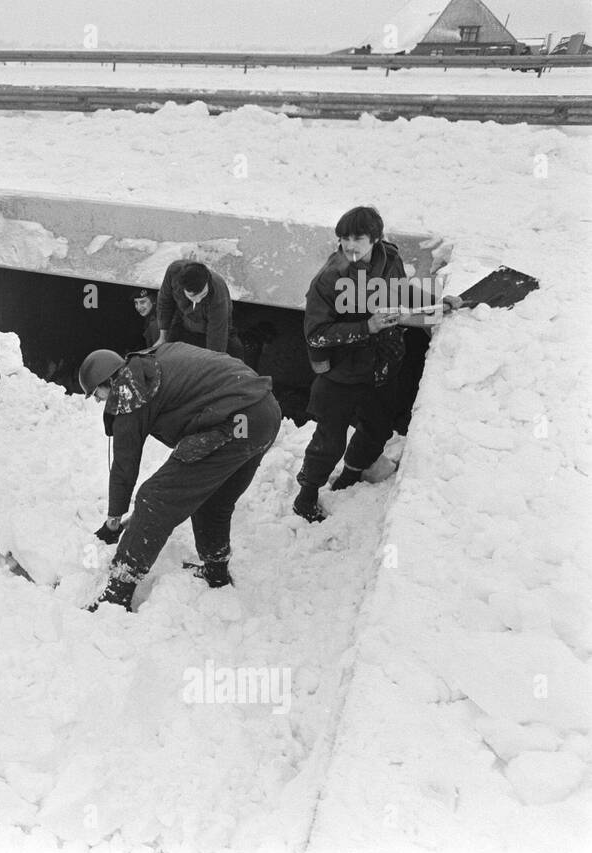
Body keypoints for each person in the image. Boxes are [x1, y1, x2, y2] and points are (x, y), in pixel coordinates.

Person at [80, 341, 281, 612]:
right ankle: (216, 572)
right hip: (262, 414)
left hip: (234, 422)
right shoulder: (153, 360)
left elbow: (124, 466)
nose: (98, 400)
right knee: (214, 499)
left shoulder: (128, 390)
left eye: (96, 394)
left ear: (109, 382)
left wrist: (113, 521)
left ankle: (118, 592)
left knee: (154, 498)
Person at [292, 206, 460, 522]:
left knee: (377, 428)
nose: (349, 246)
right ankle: (306, 495)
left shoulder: (389, 260)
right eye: (343, 239)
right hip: (341, 373)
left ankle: (351, 476)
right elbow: (315, 335)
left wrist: (436, 303)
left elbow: (400, 293)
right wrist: (365, 327)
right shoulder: (330, 280)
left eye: (357, 238)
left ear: (376, 239)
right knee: (328, 441)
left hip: (383, 366)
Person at [155, 260, 245, 360]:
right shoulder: (173, 272)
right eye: (192, 296)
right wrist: (163, 337)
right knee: (164, 356)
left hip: (212, 331)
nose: (198, 300)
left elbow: (217, 333)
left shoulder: (217, 291)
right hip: (184, 323)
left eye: (203, 294)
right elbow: (165, 301)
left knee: (226, 359)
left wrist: (212, 362)